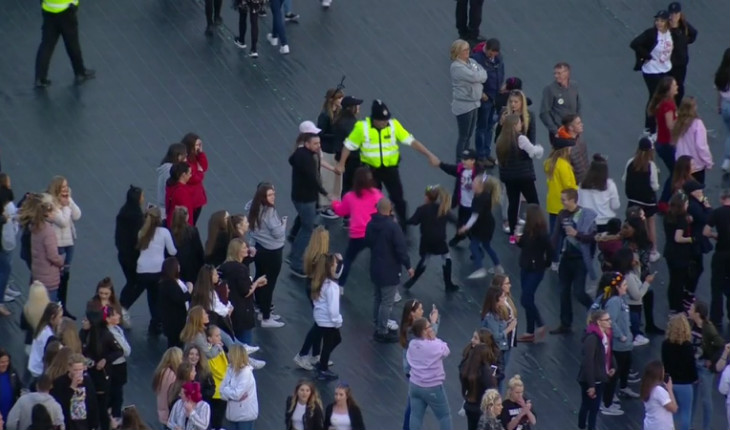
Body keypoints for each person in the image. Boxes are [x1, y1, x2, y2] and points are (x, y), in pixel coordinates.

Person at [337, 99, 440, 231]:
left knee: (398, 199)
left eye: (386, 119)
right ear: (374, 119)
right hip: (370, 171)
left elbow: (411, 141)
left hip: (390, 170)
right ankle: (372, 226)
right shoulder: (362, 128)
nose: (385, 122)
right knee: (371, 201)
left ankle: (403, 227)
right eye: (382, 120)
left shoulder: (393, 125)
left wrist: (429, 155)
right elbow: (348, 146)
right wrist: (341, 164)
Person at [122, 206, 176, 335]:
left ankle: (124, 308)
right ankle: (156, 321)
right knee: (154, 296)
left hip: (142, 270)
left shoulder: (142, 232)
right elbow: (172, 251)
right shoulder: (164, 232)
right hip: (157, 270)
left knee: (139, 291)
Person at [549, 188, 597, 334]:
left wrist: (577, 234)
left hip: (580, 260)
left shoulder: (586, 215)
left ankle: (595, 311)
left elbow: (593, 237)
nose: (562, 202)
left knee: (579, 292)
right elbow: (557, 234)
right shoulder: (562, 214)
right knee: (563, 291)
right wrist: (551, 253)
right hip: (566, 257)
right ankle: (565, 323)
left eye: (564, 199)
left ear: (573, 200)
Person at [365, 198, 413, 343]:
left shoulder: (371, 224)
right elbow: (401, 249)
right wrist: (408, 266)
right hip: (390, 269)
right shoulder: (393, 227)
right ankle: (382, 330)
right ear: (390, 210)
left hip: (375, 267)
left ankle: (377, 324)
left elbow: (367, 241)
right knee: (387, 301)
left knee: (378, 298)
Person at [288, 130, 332, 277]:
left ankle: (294, 251)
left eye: (319, 143)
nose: (318, 146)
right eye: (315, 143)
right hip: (305, 198)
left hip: (302, 197)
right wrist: (325, 193)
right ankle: (296, 261)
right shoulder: (306, 159)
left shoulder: (301, 155)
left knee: (304, 223)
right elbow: (312, 179)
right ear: (307, 144)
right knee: (307, 229)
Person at [331, 167, 383, 289]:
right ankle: (388, 289)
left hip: (358, 235)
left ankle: (340, 286)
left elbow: (341, 211)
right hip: (374, 233)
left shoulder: (350, 196)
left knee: (348, 259)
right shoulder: (376, 194)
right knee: (379, 260)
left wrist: (334, 203)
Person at [495, 114, 544, 242]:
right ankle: (538, 229)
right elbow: (533, 152)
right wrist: (540, 149)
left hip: (509, 178)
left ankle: (512, 234)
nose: (521, 125)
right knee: (534, 202)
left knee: (513, 204)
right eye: (519, 123)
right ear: (514, 125)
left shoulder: (501, 140)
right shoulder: (521, 139)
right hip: (524, 176)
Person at [404, 185, 459, 291]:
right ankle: (448, 284)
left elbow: (414, 221)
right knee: (446, 258)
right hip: (439, 240)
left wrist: (403, 221)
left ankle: (412, 281)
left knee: (425, 259)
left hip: (426, 240)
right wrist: (461, 227)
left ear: (427, 197)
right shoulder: (443, 209)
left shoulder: (422, 209)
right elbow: (454, 220)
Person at [248, 183, 286, 327]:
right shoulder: (269, 212)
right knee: (269, 282)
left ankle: (259, 307)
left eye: (273, 194)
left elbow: (252, 229)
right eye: (270, 195)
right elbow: (277, 233)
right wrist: (283, 225)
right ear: (263, 196)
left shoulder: (253, 207)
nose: (273, 197)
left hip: (260, 248)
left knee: (260, 276)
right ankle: (266, 316)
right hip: (273, 251)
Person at [33, 0, 94, 88]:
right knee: (72, 43)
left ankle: (40, 78)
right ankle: (79, 72)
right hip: (66, 11)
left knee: (46, 45)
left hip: (48, 10)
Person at [630, 10, 674, 131]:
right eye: (657, 20)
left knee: (665, 97)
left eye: (662, 20)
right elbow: (634, 44)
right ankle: (649, 128)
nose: (659, 23)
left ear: (667, 22)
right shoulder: (651, 34)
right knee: (655, 97)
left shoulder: (671, 33)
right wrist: (647, 56)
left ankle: (663, 123)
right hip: (651, 70)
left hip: (665, 69)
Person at [515, 204, 553, 342]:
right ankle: (529, 332)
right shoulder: (528, 230)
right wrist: (517, 240)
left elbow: (550, 250)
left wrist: (546, 264)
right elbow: (522, 245)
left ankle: (539, 323)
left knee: (526, 298)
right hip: (525, 267)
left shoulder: (541, 234)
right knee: (528, 299)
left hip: (536, 269)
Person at [406, 317, 452, 430]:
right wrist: (435, 338)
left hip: (415, 385)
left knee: (415, 416)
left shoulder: (412, 344)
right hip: (433, 387)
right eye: (429, 327)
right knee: (444, 416)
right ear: (424, 331)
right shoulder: (433, 345)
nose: (431, 329)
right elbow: (446, 350)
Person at [623, 137, 661, 261]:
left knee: (633, 224)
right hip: (647, 201)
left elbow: (624, 179)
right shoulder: (651, 165)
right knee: (650, 224)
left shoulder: (630, 162)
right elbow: (654, 186)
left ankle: (632, 248)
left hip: (633, 199)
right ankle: (653, 251)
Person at [687, 301, 724, 430]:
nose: (689, 310)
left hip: (704, 367)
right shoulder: (692, 324)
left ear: (698, 313)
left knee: (706, 400)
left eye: (691, 309)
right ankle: (689, 426)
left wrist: (712, 361)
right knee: (692, 397)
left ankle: (706, 428)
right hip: (693, 365)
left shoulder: (708, 328)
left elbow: (721, 346)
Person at [577, 310, 616, 430]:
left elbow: (608, 353)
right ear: (599, 322)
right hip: (592, 378)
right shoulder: (593, 338)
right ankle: (584, 426)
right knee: (591, 407)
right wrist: (591, 384)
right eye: (607, 320)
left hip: (600, 376)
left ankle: (583, 426)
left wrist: (613, 366)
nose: (610, 322)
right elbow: (588, 362)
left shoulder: (606, 335)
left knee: (591, 406)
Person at [459, 174, 503, 278]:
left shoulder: (480, 198)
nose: (472, 184)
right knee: (487, 246)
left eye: (474, 182)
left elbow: (475, 216)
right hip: (487, 225)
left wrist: (465, 227)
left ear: (480, 186)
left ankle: (480, 268)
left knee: (473, 246)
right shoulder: (484, 195)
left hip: (482, 226)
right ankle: (498, 267)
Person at [450, 39, 487, 163]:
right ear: (457, 52)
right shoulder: (456, 67)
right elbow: (475, 76)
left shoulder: (471, 62)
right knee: (464, 136)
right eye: (464, 50)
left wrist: (479, 75)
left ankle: (465, 159)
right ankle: (459, 162)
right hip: (464, 106)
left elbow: (483, 73)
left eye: (468, 49)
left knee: (469, 135)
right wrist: (478, 76)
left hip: (474, 103)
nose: (468, 51)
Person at [438, 149, 482, 246]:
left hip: (472, 205)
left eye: (466, 159)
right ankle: (459, 236)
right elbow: (449, 169)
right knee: (461, 223)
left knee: (469, 226)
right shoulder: (461, 169)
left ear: (473, 161)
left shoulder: (479, 174)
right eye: (463, 159)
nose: (463, 161)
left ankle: (474, 245)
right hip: (462, 203)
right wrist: (439, 164)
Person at [471, 39, 504, 166]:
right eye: (491, 54)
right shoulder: (476, 59)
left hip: (494, 97)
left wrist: (501, 85)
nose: (493, 57)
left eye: (495, 55)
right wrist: (481, 93)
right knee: (482, 127)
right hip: (484, 98)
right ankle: (481, 156)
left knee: (490, 126)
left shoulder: (498, 58)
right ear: (487, 48)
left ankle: (486, 152)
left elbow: (501, 70)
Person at [310, 254, 343, 381]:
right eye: (335, 264)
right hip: (329, 321)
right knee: (330, 343)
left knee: (334, 340)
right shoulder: (332, 287)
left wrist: (341, 261)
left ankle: (322, 364)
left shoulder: (320, 282)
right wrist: (338, 321)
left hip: (320, 318)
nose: (337, 266)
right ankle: (323, 368)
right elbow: (333, 309)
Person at [661, 314, 697, 430]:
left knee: (672, 413)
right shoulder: (688, 346)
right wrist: (695, 378)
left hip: (670, 383)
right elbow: (691, 365)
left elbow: (664, 364)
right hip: (685, 384)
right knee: (686, 413)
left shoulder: (665, 344)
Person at [648, 76, 679, 209]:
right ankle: (664, 201)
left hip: (662, 143)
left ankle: (668, 198)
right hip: (667, 144)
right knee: (676, 172)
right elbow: (670, 125)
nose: (677, 86)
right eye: (674, 85)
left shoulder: (664, 103)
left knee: (676, 171)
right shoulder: (668, 105)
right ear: (668, 89)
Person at [114, 186, 144, 320]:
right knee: (138, 283)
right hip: (133, 257)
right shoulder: (136, 216)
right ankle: (122, 307)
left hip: (123, 255)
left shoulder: (123, 212)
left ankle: (121, 307)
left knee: (131, 282)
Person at [50, 353, 100, 430]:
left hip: (84, 422)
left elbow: (93, 402)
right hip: (69, 423)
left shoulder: (87, 381)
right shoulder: (60, 382)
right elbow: (59, 403)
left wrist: (94, 424)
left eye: (80, 370)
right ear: (69, 368)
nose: (78, 373)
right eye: (75, 370)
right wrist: (72, 387)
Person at [317, 90, 345, 219]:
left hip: (335, 150)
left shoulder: (338, 113)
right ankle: (324, 206)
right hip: (328, 151)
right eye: (339, 98)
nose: (341, 100)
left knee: (336, 180)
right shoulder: (325, 116)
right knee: (327, 179)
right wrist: (337, 135)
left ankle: (334, 203)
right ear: (332, 100)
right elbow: (320, 133)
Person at [704, 188, 730, 327]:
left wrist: (716, 235)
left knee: (716, 287)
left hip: (720, 254)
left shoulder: (717, 213)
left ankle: (716, 317)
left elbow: (706, 231)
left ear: (722, 199)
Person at [459, 343, 498, 430]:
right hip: (481, 408)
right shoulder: (485, 372)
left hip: (469, 405)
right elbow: (492, 390)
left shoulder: (466, 369)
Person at [673, 98, 712, 184]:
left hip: (681, 162)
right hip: (695, 165)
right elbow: (701, 146)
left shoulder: (677, 122)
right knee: (696, 190)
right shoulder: (697, 124)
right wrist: (708, 162)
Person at [219, 344, 258, 430]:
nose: (228, 355)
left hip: (244, 417)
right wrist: (229, 394)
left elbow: (237, 394)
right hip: (231, 415)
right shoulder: (229, 369)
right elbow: (221, 390)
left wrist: (227, 391)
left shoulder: (246, 373)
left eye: (230, 353)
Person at [539, 63, 581, 141]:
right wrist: (555, 130)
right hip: (559, 133)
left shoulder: (574, 86)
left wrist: (578, 125)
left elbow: (578, 107)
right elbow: (544, 112)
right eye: (555, 73)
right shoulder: (549, 89)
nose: (556, 76)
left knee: (576, 152)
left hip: (573, 131)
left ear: (567, 73)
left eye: (559, 73)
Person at [332, 96, 364, 197]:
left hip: (346, 158)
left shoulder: (341, 120)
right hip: (353, 160)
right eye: (357, 105)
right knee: (352, 186)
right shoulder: (351, 124)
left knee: (347, 185)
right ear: (351, 108)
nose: (359, 107)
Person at [667, 2, 698, 105]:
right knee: (670, 88)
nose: (674, 16)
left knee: (679, 88)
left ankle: (675, 107)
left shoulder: (683, 24)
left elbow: (693, 33)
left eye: (676, 14)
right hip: (669, 64)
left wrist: (685, 41)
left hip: (681, 64)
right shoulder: (667, 26)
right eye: (672, 14)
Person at [159, 257, 193, 348]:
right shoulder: (168, 284)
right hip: (174, 322)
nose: (179, 266)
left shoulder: (175, 281)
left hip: (180, 319)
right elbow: (180, 299)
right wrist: (189, 290)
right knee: (175, 344)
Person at [28, 302, 63, 379]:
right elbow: (48, 354)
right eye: (60, 317)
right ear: (52, 317)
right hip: (39, 369)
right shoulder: (47, 334)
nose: (61, 319)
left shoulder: (42, 327)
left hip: (34, 364)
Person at [641, 360, 678, 430]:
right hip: (662, 426)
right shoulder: (658, 391)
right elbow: (674, 408)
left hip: (650, 425)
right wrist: (670, 389)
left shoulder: (646, 388)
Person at [152, 346, 183, 426]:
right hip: (170, 414)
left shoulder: (161, 372)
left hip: (163, 412)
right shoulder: (172, 376)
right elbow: (172, 397)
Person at [157, 143, 188, 217]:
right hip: (167, 210)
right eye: (185, 156)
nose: (186, 159)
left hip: (163, 207)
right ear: (179, 157)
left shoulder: (166, 167)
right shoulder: (170, 171)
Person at [165, 162, 196, 226]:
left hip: (172, 222)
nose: (191, 175)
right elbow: (186, 212)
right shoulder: (182, 192)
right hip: (180, 226)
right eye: (189, 173)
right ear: (183, 175)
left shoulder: (172, 187)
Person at [715, 48, 730, 173]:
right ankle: (728, 159)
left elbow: (719, 93)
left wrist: (719, 106)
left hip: (725, 105)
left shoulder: (721, 74)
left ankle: (727, 160)